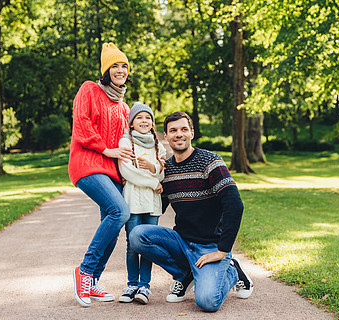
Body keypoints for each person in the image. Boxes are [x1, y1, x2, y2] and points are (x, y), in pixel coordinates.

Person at [129, 111, 254, 312]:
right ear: (166, 136)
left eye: (183, 129)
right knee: (137, 236)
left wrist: (222, 250)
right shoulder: (165, 170)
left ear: (192, 133)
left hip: (211, 246)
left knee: (207, 302)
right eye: (173, 131)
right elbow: (157, 208)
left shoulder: (210, 161)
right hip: (182, 242)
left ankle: (232, 272)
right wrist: (144, 185)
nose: (179, 134)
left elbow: (234, 204)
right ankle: (185, 273)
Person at [68, 43, 134, 307]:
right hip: (87, 163)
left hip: (112, 172)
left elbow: (129, 144)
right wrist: (108, 149)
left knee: (114, 221)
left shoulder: (124, 106)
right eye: (115, 66)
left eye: (124, 66)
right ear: (106, 70)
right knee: (120, 211)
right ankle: (84, 271)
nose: (120, 70)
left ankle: (93, 280)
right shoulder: (89, 89)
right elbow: (81, 125)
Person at [117, 102, 167, 305]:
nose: (144, 121)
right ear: (131, 123)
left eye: (148, 118)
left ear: (152, 123)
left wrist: (154, 168)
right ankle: (131, 284)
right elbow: (127, 171)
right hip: (132, 200)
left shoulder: (159, 146)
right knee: (132, 244)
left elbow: (163, 175)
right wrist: (152, 180)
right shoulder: (125, 143)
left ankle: (144, 286)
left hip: (152, 203)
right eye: (139, 117)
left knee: (148, 244)